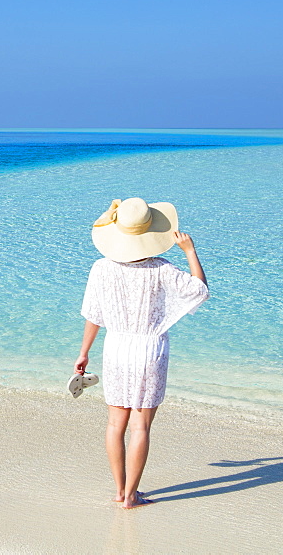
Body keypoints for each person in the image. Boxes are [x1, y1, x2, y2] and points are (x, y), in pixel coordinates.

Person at [73, 197, 209, 509]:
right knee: (141, 427)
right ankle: (132, 496)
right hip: (150, 350)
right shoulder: (162, 269)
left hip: (116, 347)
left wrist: (83, 353)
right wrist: (190, 251)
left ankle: (120, 492)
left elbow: (93, 315)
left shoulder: (101, 268)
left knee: (114, 425)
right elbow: (199, 291)